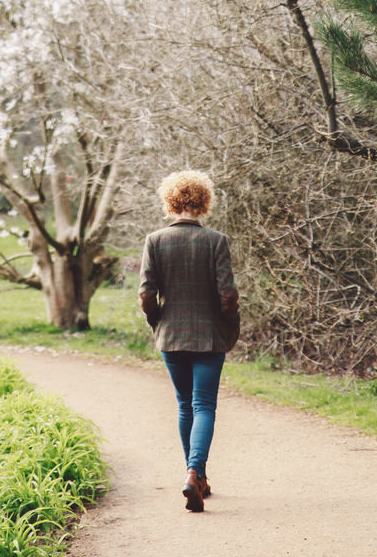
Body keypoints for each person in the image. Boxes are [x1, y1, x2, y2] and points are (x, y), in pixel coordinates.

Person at [138, 170, 240, 513]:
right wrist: (228, 324)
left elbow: (145, 294)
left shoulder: (155, 241)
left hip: (172, 336)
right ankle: (195, 473)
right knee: (204, 406)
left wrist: (158, 322)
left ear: (171, 202)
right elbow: (228, 294)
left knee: (185, 405)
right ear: (203, 201)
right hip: (209, 336)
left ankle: (196, 476)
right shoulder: (215, 241)